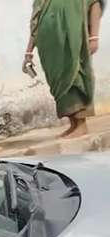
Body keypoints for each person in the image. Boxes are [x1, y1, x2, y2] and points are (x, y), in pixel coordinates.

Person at [25, 0, 105, 138]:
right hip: (50, 50)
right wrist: (28, 52)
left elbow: (94, 4)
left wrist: (94, 37)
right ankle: (73, 124)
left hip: (72, 44)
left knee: (75, 78)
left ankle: (81, 125)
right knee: (60, 86)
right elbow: (34, 24)